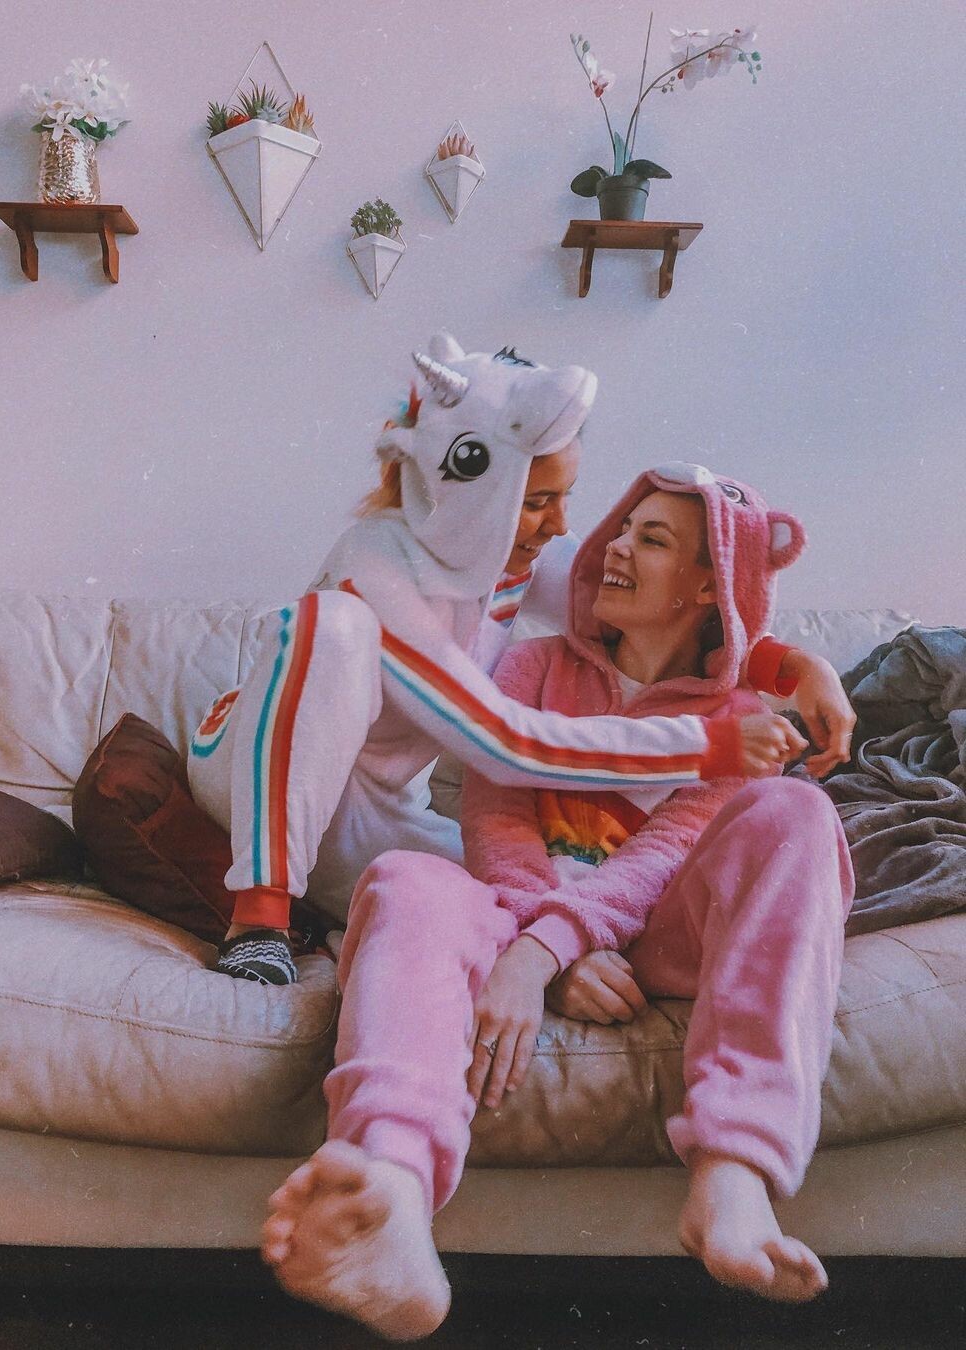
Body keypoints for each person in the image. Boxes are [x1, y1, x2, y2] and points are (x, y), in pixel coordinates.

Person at [260, 462, 854, 1339]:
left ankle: (736, 1172)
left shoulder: (743, 716)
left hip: (661, 935)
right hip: (518, 910)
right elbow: (496, 821)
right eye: (622, 528)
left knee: (798, 811)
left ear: (708, 584)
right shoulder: (533, 664)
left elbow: (664, 856)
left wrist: (544, 955)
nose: (614, 547)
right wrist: (545, 947)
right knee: (408, 877)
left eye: (652, 539)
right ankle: (388, 1185)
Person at [187, 334, 853, 984]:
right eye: (536, 503)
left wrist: (797, 670)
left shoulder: (513, 556)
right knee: (334, 624)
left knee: (513, 901)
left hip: (378, 809)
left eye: (565, 497)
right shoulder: (375, 563)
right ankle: (259, 921)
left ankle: (530, 961)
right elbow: (502, 743)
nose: (561, 525)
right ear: (478, 489)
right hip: (248, 772)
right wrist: (708, 746)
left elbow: (652, 614)